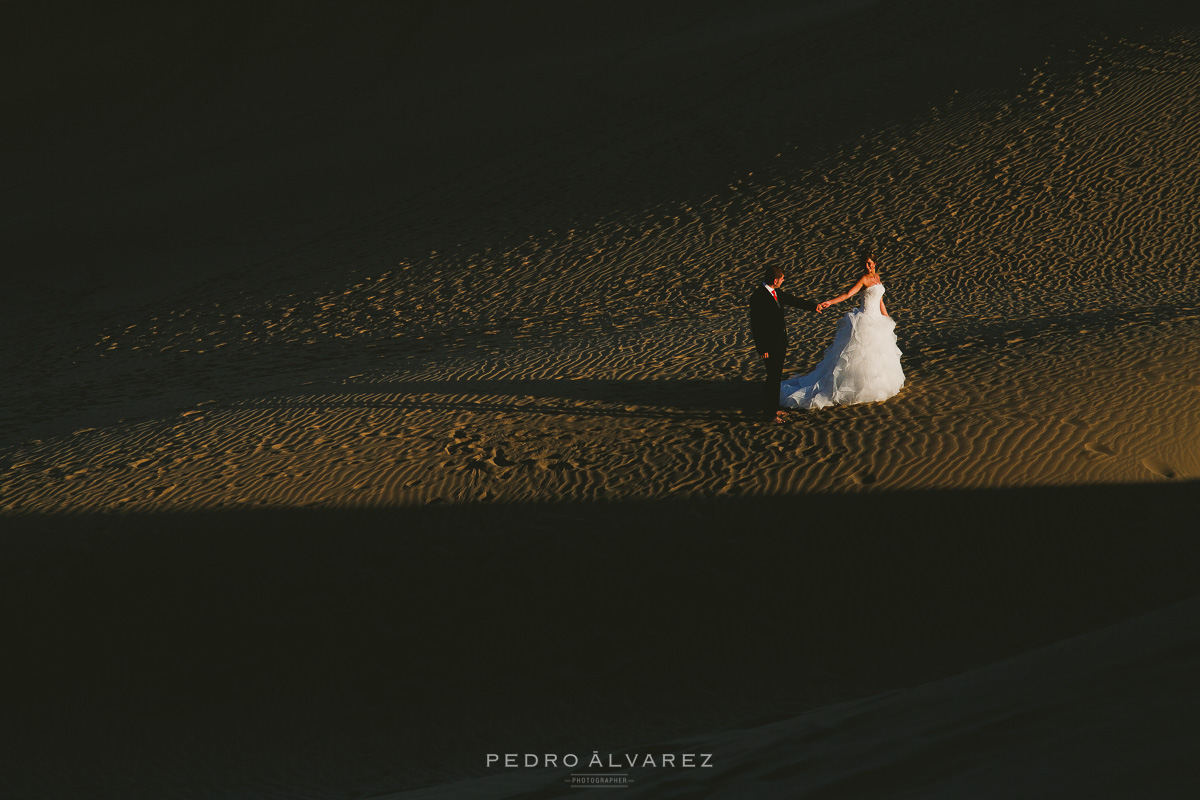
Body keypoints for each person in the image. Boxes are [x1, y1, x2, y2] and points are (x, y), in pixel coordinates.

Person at [780, 256, 904, 409]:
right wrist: (830, 302)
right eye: (865, 263)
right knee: (860, 356)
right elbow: (848, 294)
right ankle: (853, 389)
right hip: (865, 321)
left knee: (880, 355)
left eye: (869, 263)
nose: (867, 266)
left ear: (875, 263)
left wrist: (887, 318)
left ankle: (877, 386)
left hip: (878, 320)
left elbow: (880, 300)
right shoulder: (863, 279)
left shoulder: (877, 277)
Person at [749, 264, 819, 423]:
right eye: (782, 279)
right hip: (768, 346)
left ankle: (774, 408)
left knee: (776, 376)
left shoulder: (776, 292)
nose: (783, 281)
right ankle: (769, 412)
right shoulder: (758, 296)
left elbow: (792, 300)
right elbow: (757, 325)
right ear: (775, 280)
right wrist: (762, 347)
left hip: (780, 342)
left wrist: (813, 307)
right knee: (772, 377)